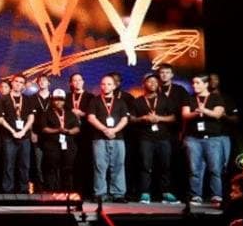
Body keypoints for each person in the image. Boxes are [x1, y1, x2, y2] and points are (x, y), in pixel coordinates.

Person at [132, 73, 179, 203]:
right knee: (145, 166)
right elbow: (131, 119)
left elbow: (173, 117)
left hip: (163, 137)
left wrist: (159, 118)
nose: (153, 84)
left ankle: (166, 192)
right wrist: (143, 118)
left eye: (155, 82)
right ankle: (145, 193)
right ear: (144, 84)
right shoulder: (137, 101)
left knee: (165, 165)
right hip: (145, 138)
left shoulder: (165, 99)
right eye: (149, 81)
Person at [181, 74, 226, 205]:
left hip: (213, 138)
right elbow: (185, 115)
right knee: (194, 169)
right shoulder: (189, 98)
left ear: (206, 84)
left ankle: (216, 195)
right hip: (193, 138)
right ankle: (196, 195)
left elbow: (217, 114)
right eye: (193, 83)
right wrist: (196, 112)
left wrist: (204, 110)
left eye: (197, 83)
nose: (194, 85)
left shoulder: (216, 98)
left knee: (215, 168)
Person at [85, 74, 130, 203]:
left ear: (114, 86)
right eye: (103, 84)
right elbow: (91, 118)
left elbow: (125, 119)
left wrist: (114, 130)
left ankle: (118, 194)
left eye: (109, 84)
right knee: (100, 166)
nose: (106, 86)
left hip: (117, 138)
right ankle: (100, 193)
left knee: (118, 165)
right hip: (99, 138)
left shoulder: (120, 102)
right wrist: (105, 129)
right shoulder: (95, 101)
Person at [0, 74, 37, 194]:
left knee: (25, 165)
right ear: (12, 82)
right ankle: (8, 191)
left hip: (24, 137)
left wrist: (23, 131)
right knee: (8, 165)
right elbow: (1, 119)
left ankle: (24, 190)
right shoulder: (3, 99)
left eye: (21, 82)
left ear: (24, 85)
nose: (18, 84)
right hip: (9, 137)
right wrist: (13, 131)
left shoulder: (27, 99)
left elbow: (31, 117)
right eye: (16, 81)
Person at [38, 89, 80, 191]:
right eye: (56, 99)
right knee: (51, 168)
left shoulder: (70, 113)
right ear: (52, 100)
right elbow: (44, 128)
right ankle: (51, 190)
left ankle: (67, 190)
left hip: (68, 145)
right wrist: (58, 130)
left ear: (64, 101)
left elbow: (77, 128)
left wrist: (68, 131)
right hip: (51, 145)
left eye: (61, 100)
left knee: (68, 168)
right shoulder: (46, 113)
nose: (58, 102)